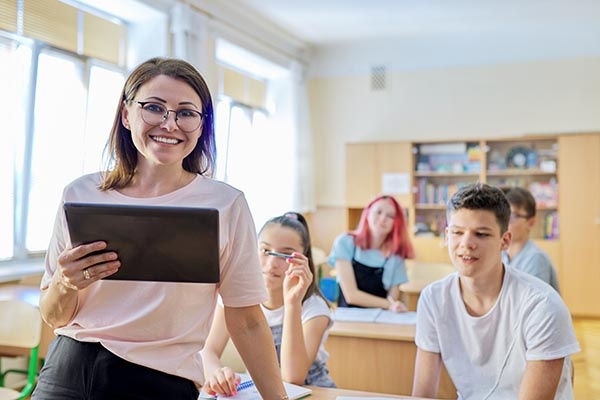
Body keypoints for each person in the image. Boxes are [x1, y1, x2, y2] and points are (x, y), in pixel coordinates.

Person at [32, 57, 287, 399]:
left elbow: (247, 320)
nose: (170, 124)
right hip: (67, 372)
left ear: (201, 124)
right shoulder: (79, 194)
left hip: (158, 382)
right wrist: (65, 282)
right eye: (153, 108)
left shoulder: (225, 204)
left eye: (185, 112)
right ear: (126, 115)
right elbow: (54, 317)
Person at [412, 183, 580, 399]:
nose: (466, 243)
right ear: (446, 236)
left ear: (504, 241)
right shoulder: (433, 299)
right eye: (457, 232)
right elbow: (422, 395)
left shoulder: (543, 306)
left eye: (481, 234)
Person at [201, 212, 336, 395]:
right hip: (258, 393)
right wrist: (216, 373)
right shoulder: (236, 298)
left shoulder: (314, 308)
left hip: (314, 393)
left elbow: (293, 378)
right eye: (265, 251)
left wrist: (292, 303)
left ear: (302, 260)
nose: (272, 263)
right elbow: (208, 351)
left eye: (285, 255)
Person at [328, 195, 415, 311]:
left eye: (390, 216)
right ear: (367, 213)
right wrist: (389, 305)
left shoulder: (396, 257)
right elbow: (351, 296)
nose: (383, 219)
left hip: (380, 321)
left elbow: (392, 299)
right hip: (347, 318)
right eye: (378, 212)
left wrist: (393, 305)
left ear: (396, 223)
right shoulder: (344, 242)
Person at [501, 186, 560, 292]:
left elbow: (533, 304)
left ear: (531, 222)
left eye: (514, 216)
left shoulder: (535, 258)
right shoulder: (501, 254)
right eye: (505, 215)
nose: (507, 221)